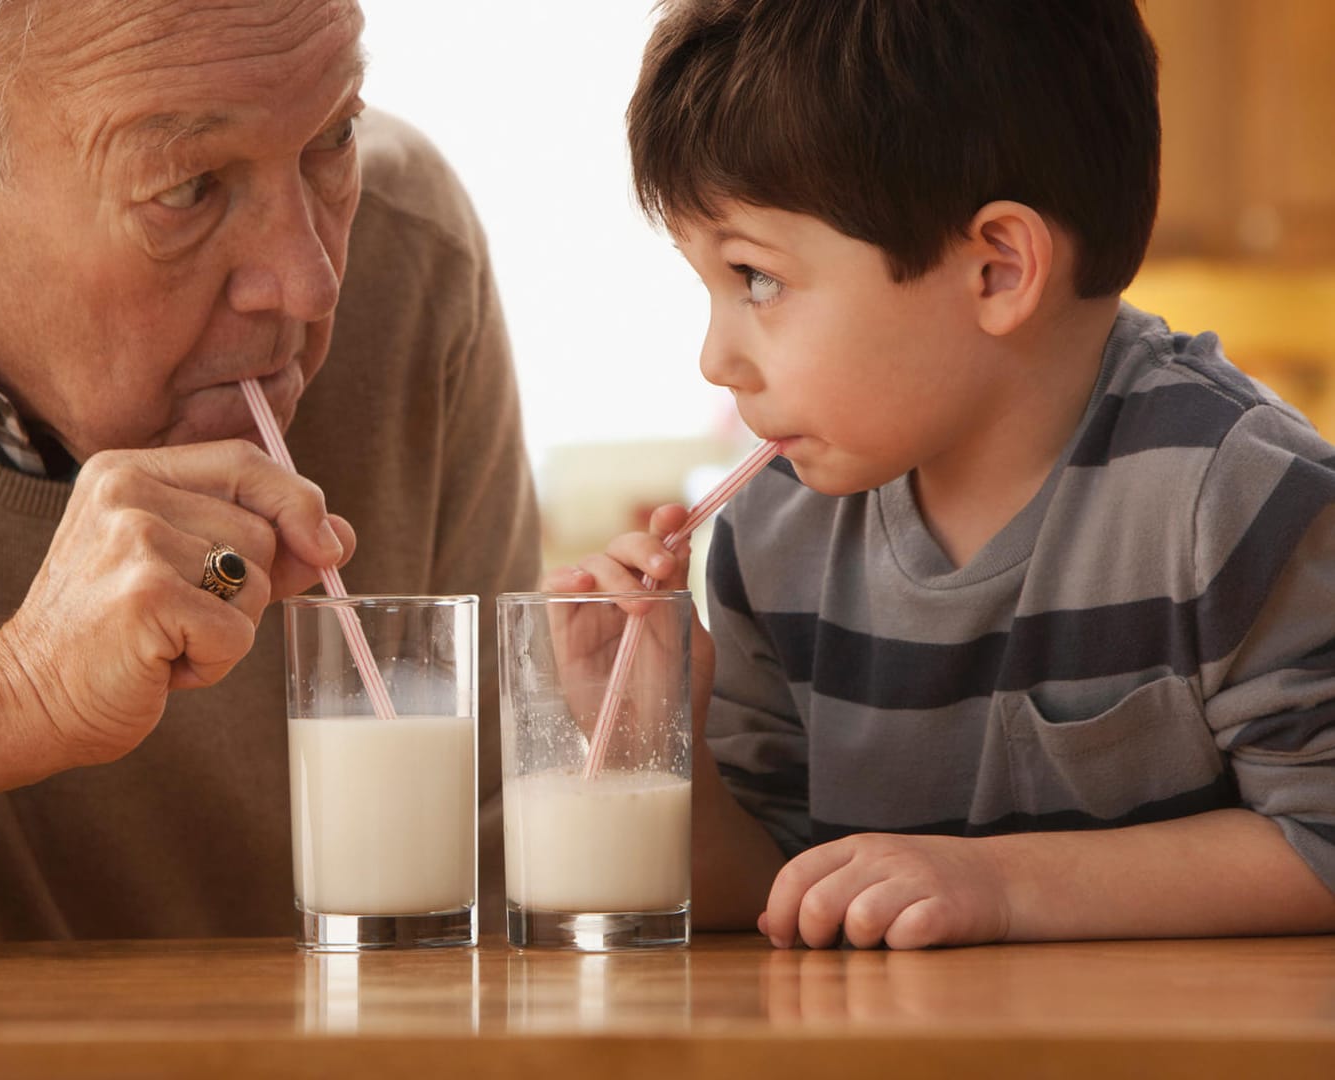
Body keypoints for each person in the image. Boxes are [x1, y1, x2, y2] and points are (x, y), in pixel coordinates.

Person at [0, 0, 539, 941]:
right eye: (188, 188)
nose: (309, 284)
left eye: (333, 134)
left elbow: (500, 857)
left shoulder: (408, 250)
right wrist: (6, 697)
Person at [554, 0, 1335, 949]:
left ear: (998, 271)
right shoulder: (778, 527)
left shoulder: (1242, 499)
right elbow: (772, 885)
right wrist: (650, 742)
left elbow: (1321, 836)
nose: (716, 358)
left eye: (757, 278)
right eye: (708, 283)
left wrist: (998, 885)